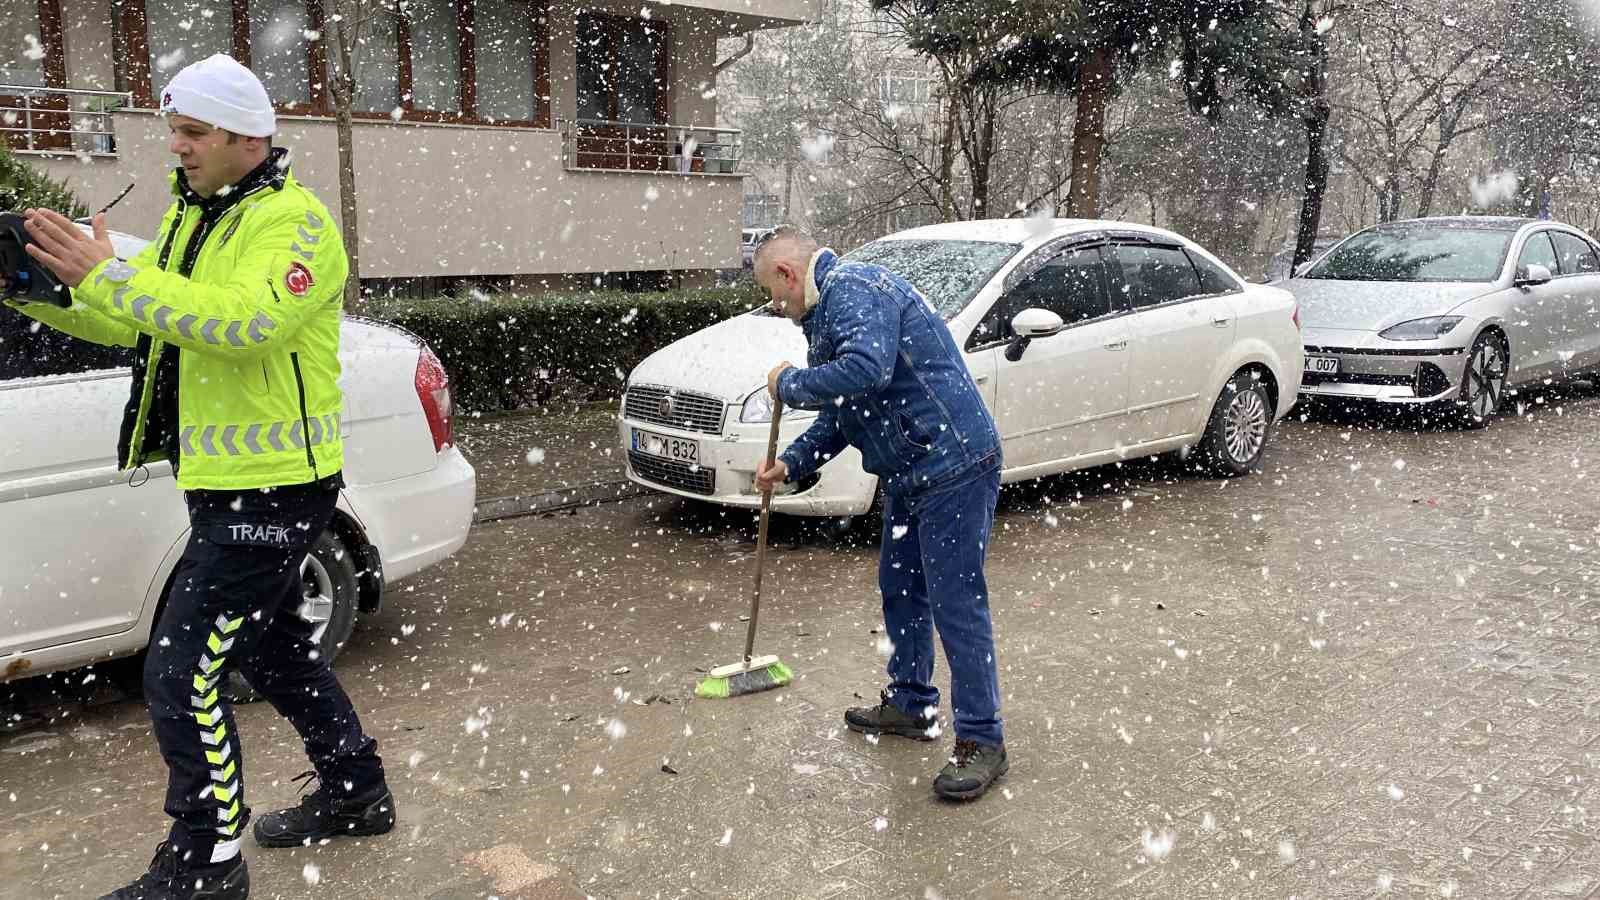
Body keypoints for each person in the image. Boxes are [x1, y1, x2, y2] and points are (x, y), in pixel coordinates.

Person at [2, 54, 393, 899]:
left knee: (182, 672)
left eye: (191, 132)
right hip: (222, 480)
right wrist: (45, 292)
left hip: (279, 485)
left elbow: (246, 324)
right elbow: (153, 327)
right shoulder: (197, 218)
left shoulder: (294, 225)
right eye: (172, 129)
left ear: (246, 139)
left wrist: (111, 273)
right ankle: (357, 789)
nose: (173, 145)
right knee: (276, 646)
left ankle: (206, 863)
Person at [752, 228, 1010, 801]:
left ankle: (981, 740)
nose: (778, 307)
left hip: (953, 465)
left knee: (956, 603)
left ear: (789, 275)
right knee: (901, 588)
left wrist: (789, 383)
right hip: (910, 471)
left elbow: (865, 370)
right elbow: (848, 410)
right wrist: (792, 464)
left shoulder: (854, 288)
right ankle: (912, 705)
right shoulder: (825, 314)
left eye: (773, 293)